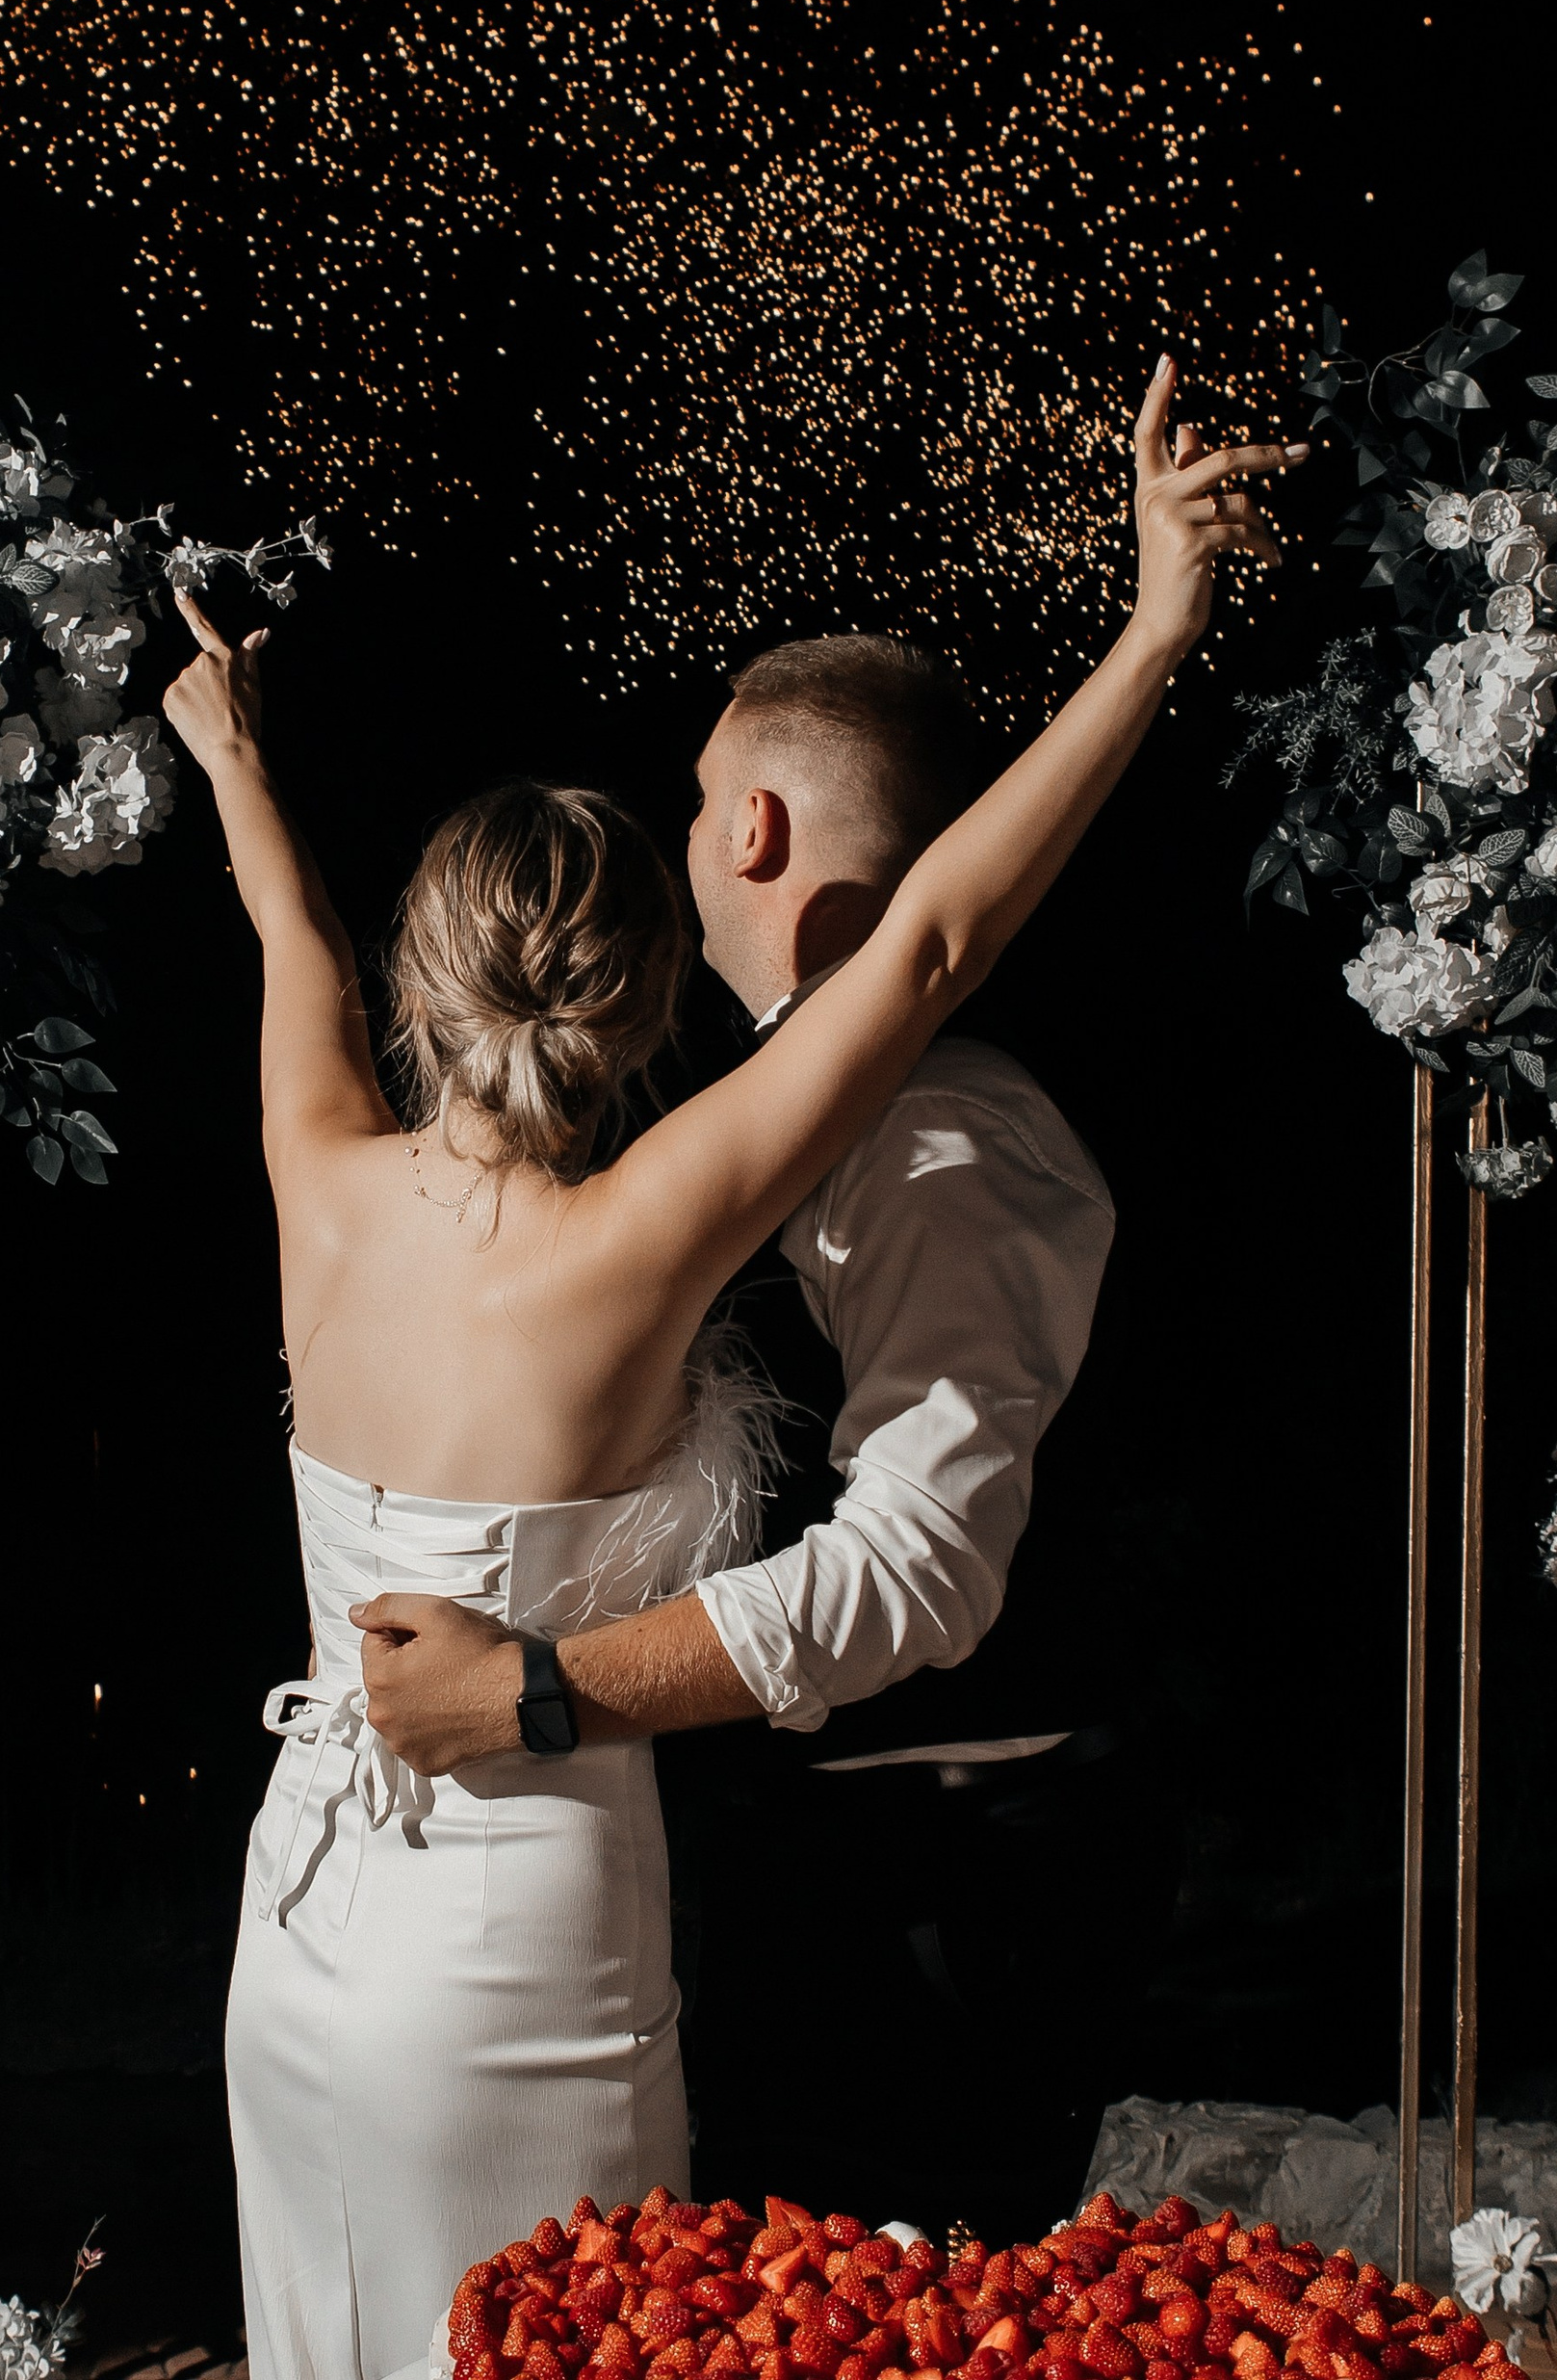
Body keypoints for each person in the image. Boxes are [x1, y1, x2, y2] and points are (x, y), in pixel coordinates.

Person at [161, 363, 1296, 2380]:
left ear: (424, 980)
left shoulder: (311, 1174)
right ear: (629, 1000)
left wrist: (233, 755)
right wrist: (1148, 633)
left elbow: (285, 942)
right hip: (513, 1926)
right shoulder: (634, 1234)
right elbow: (930, 942)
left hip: (298, 1907)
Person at [354, 632, 1156, 2237]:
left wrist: (527, 1690)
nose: (689, 823)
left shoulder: (942, 1138)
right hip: (830, 1867)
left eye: (703, 790)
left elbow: (921, 1572)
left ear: (758, 830)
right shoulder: (817, 1105)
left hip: (941, 1891)